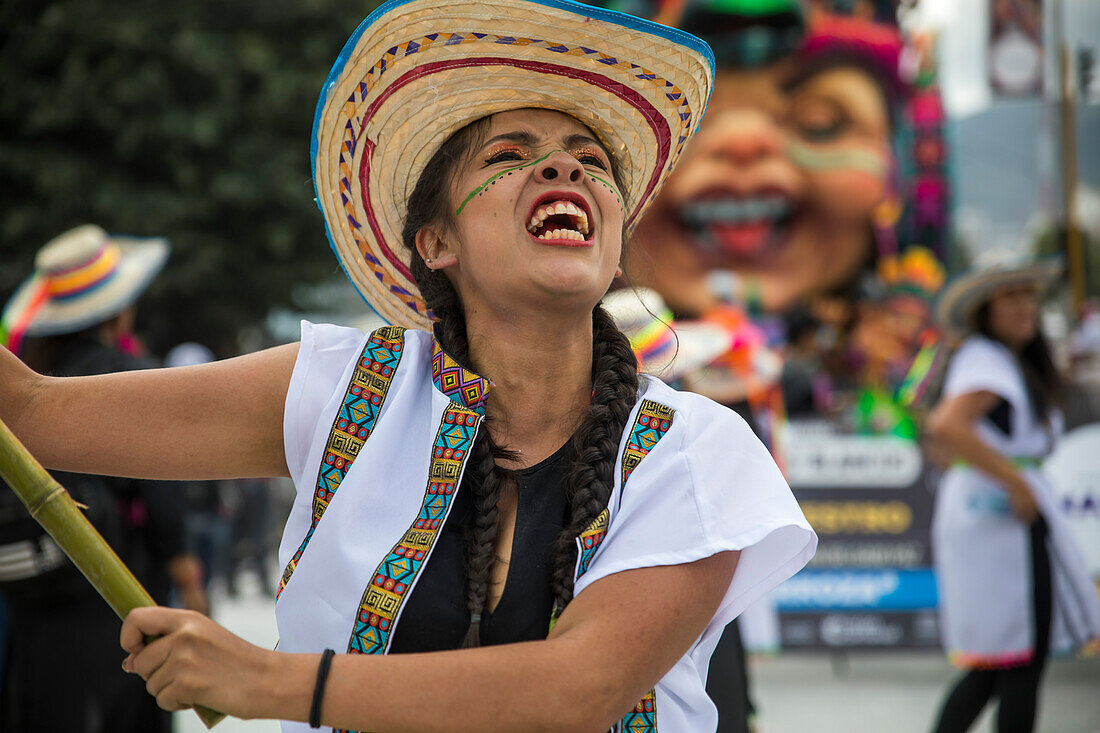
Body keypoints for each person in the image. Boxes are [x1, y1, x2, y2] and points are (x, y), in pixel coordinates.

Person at [0, 0, 816, 730]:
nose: (566, 167)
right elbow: (30, 415)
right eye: (511, 153)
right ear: (436, 243)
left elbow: (577, 690)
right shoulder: (343, 387)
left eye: (589, 159)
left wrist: (266, 681)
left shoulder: (697, 451)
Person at [0, 224, 208, 732]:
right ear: (118, 309)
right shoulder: (131, 378)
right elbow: (164, 505)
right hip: (117, 606)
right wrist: (189, 580)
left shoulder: (27, 389)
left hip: (34, 614)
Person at [926, 252, 1100, 733]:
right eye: (1011, 297)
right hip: (1002, 518)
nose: (1025, 306)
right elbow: (949, 425)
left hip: (997, 513)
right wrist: (1016, 482)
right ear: (986, 310)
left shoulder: (998, 359)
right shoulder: (986, 359)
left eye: (1029, 295)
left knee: (1003, 660)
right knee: (1017, 657)